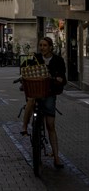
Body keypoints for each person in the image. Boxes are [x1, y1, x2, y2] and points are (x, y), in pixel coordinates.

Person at [20, 36, 67, 169]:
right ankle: (24, 126)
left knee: (50, 125)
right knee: (30, 99)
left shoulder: (58, 60)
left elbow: (64, 78)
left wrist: (60, 79)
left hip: (50, 92)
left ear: (51, 46)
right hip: (36, 91)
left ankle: (56, 158)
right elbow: (25, 69)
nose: (42, 48)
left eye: (45, 45)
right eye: (40, 45)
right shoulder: (35, 58)